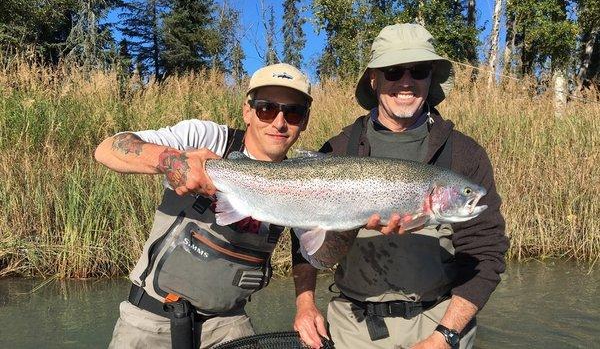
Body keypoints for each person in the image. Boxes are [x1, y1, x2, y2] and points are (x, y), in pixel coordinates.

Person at [291, 24, 509, 349]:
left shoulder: (464, 154)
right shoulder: (337, 150)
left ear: (431, 77)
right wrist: (305, 303)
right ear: (373, 78)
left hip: (438, 321)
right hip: (353, 326)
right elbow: (303, 237)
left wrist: (445, 336)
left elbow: (486, 252)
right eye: (393, 71)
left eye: (418, 70)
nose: (406, 82)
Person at [95, 63, 313, 349]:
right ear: (248, 111)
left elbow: (310, 252)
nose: (279, 122)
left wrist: (305, 306)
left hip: (229, 324)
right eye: (267, 109)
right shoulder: (206, 138)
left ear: (305, 121)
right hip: (149, 320)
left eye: (293, 112)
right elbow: (108, 149)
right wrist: (171, 161)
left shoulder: (304, 179)